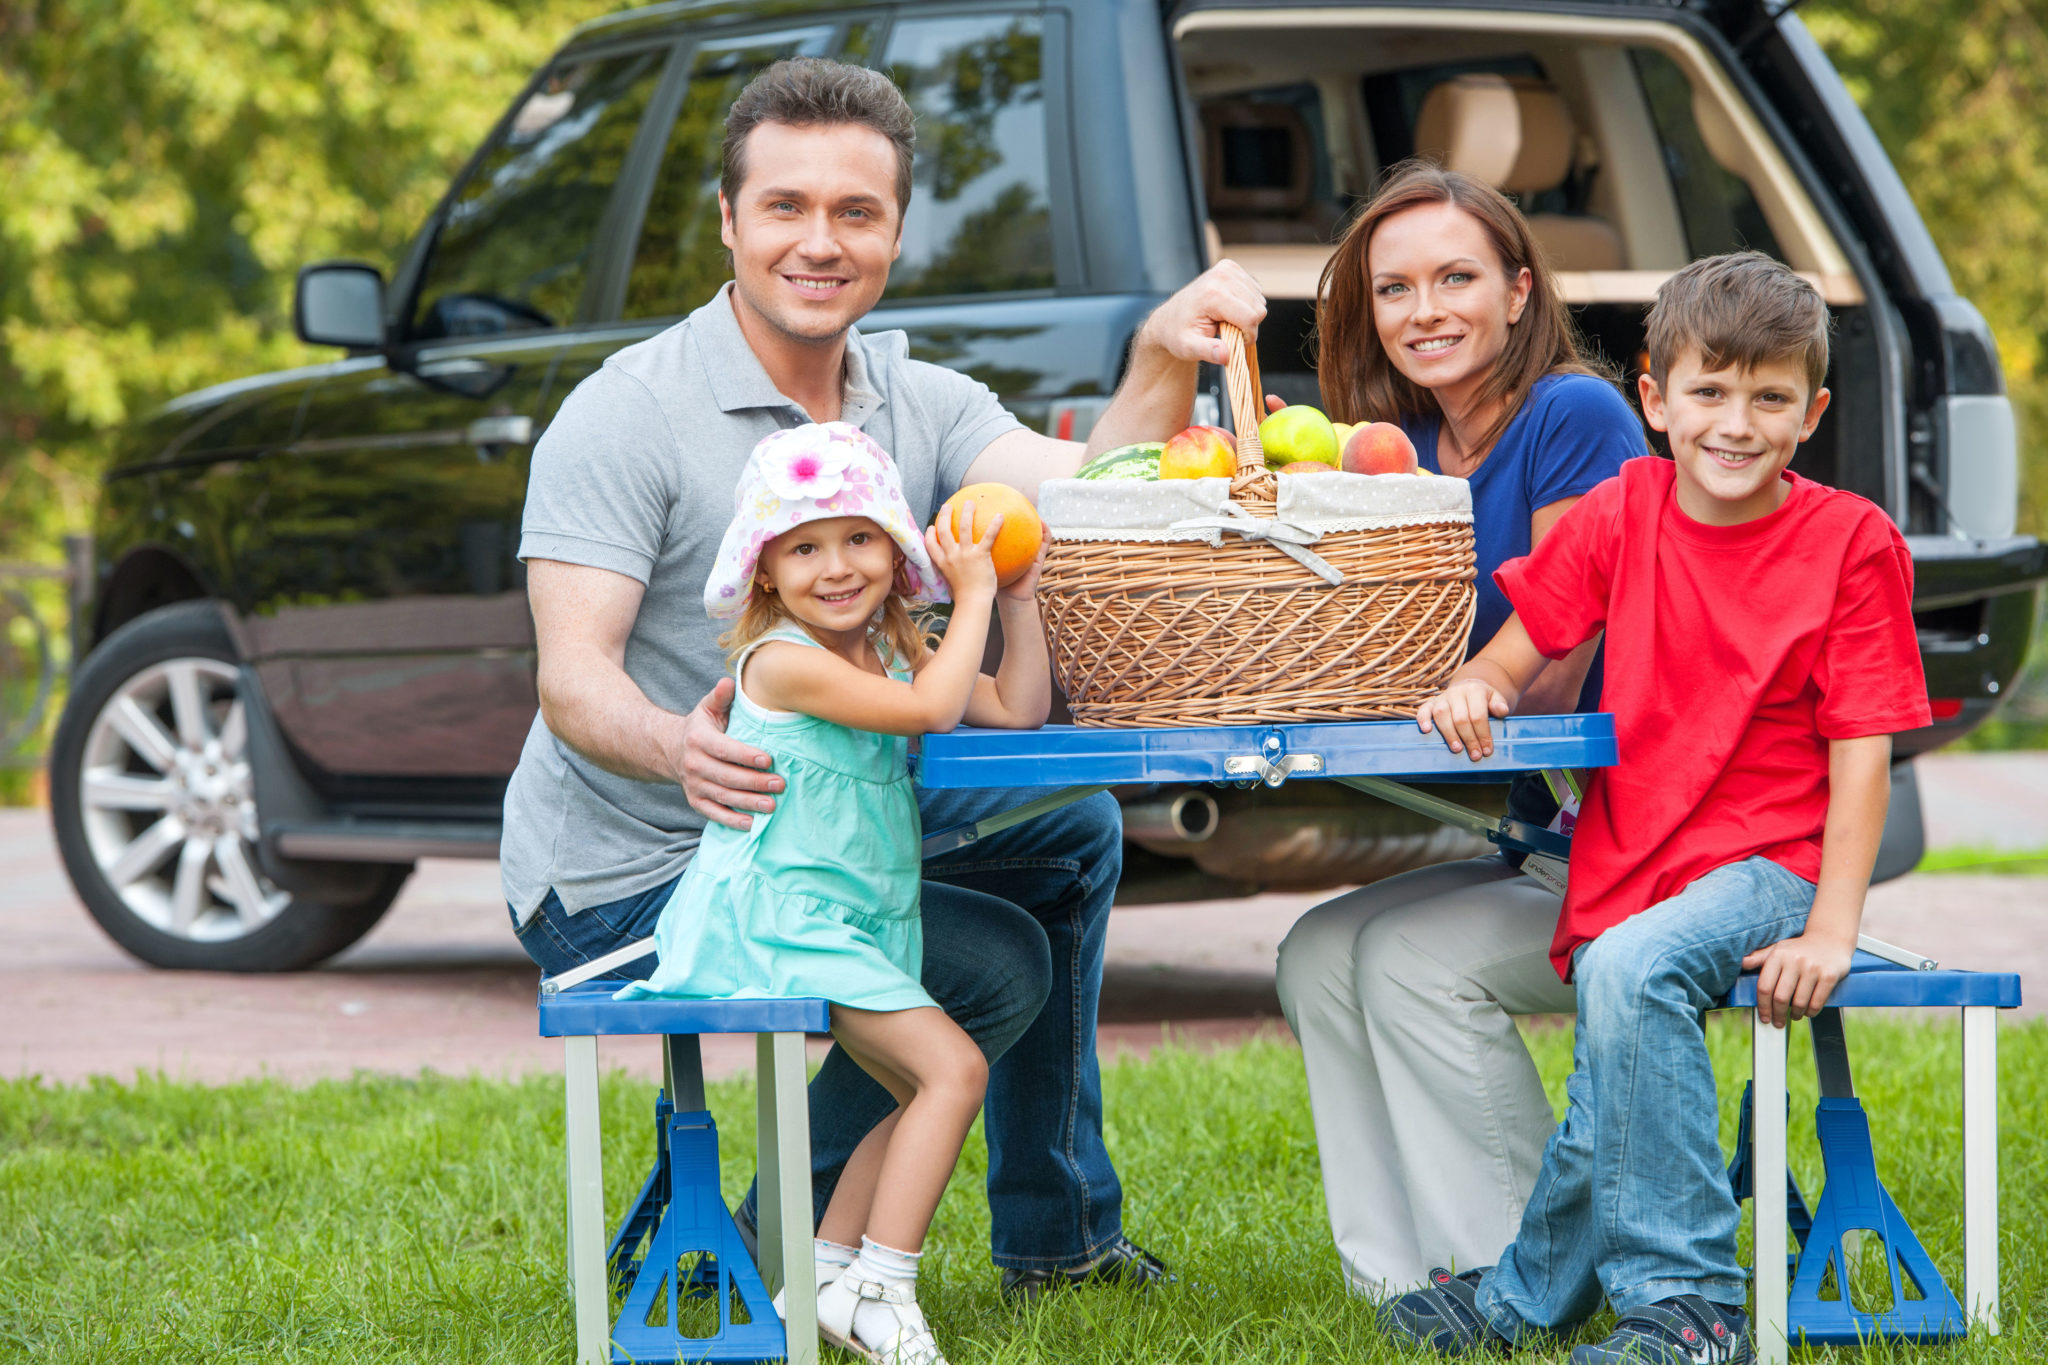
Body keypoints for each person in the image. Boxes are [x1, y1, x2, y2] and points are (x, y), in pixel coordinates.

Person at [502, 56, 1265, 1297]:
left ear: (896, 232)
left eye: (855, 213)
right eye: (786, 207)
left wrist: (1154, 351)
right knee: (986, 962)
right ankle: (776, 1246)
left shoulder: (917, 400)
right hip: (631, 871)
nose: (820, 241)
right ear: (728, 223)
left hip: (820, 832)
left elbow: (1085, 493)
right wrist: (674, 745)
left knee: (1066, 832)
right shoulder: (626, 412)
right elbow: (570, 680)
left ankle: (1055, 1235)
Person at [1376, 252, 1930, 1364]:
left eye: (1768, 397)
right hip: (1631, 866)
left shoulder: (1850, 542)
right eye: (1708, 393)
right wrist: (1475, 686)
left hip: (1774, 865)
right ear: (1654, 398)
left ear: (1809, 412)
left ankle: (1688, 1307)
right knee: (1616, 1066)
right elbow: (1515, 653)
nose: (1735, 424)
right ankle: (1524, 1300)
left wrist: (1828, 925)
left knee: (1629, 978)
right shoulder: (1619, 512)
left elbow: (1862, 752)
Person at [1272, 162, 1644, 1292]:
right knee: (1316, 953)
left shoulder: (1573, 414)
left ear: (1519, 291)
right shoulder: (1394, 457)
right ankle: (1398, 1280)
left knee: (1408, 961)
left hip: (1637, 854)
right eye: (1393, 290)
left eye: (1454, 278)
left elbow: (1556, 656)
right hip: (1544, 843)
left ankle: (1523, 1275)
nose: (1422, 311)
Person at [620, 422, 1048, 1364]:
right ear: (765, 571)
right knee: (955, 1071)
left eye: (860, 539)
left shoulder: (889, 654)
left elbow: (1016, 708)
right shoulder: (781, 660)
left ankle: (822, 1273)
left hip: (856, 917)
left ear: (894, 551)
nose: (837, 566)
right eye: (805, 547)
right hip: (781, 914)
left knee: (908, 1091)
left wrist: (1015, 597)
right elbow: (934, 712)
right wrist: (970, 592)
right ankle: (884, 1287)